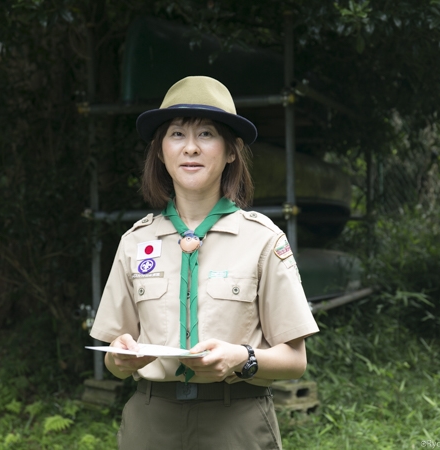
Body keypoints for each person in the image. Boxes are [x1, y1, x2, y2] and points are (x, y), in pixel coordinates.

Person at [90, 76, 319, 450]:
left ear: (231, 151)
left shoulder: (263, 239)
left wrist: (242, 359)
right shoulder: (135, 241)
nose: (190, 148)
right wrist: (123, 358)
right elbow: (114, 358)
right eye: (177, 135)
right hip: (151, 422)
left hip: (237, 420)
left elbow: (295, 360)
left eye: (207, 134)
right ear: (160, 151)